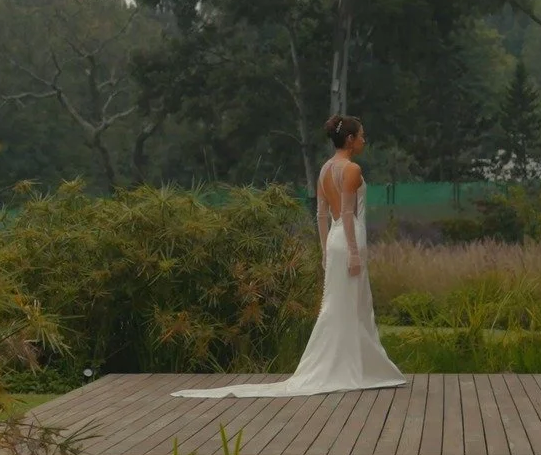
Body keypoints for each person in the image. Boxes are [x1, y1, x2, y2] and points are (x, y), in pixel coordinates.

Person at [174, 114, 406, 398]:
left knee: (337, 303)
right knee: (351, 304)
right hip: (349, 240)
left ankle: (351, 365)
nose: (364, 140)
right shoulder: (352, 170)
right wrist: (355, 253)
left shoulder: (324, 171)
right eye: (361, 135)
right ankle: (349, 368)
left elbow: (322, 214)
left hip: (334, 240)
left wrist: (324, 251)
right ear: (350, 139)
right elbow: (347, 213)